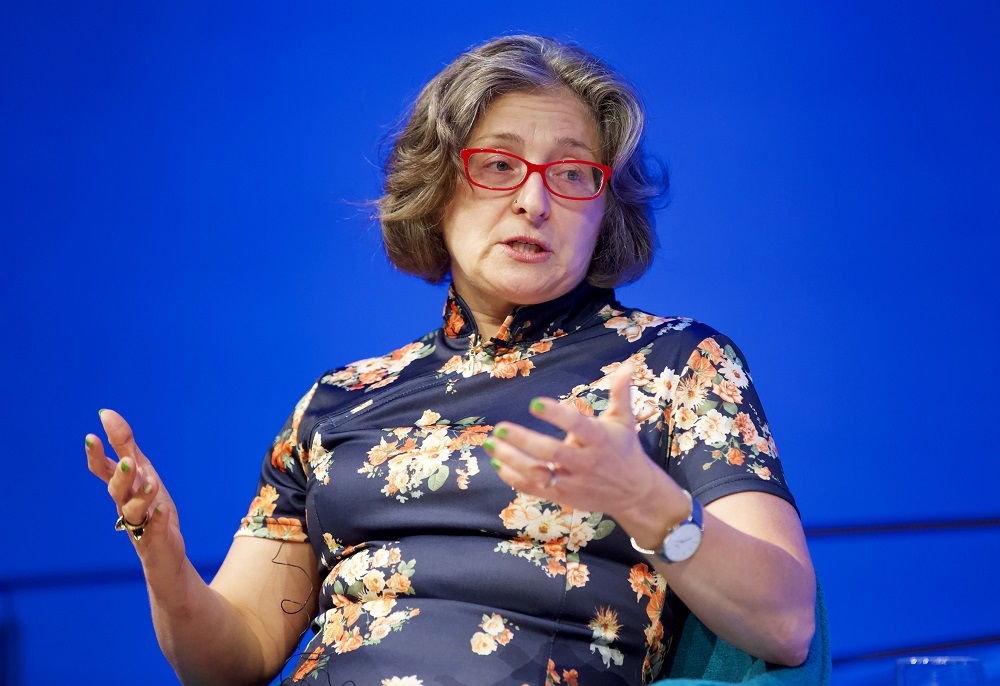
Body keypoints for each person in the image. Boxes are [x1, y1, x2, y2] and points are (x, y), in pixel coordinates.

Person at [85, 35, 815, 686]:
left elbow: (785, 625)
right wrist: (165, 558)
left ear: (606, 211)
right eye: (498, 165)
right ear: (437, 191)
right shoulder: (339, 401)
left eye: (571, 175)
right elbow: (233, 659)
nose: (533, 199)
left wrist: (644, 501)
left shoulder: (673, 365)